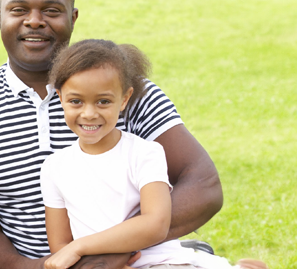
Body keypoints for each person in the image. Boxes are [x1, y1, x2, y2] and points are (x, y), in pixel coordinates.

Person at [0, 0, 225, 269]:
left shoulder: (122, 89)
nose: (34, 21)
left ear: (73, 17)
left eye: (51, 10)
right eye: (19, 10)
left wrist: (108, 255)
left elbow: (204, 185)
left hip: (140, 260)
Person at [39, 40, 265, 269]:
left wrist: (81, 247)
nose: (89, 113)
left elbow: (155, 223)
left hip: (159, 262)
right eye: (76, 101)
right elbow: (60, 244)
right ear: (60, 97)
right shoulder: (54, 167)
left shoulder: (144, 153)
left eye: (103, 101)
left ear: (124, 99)